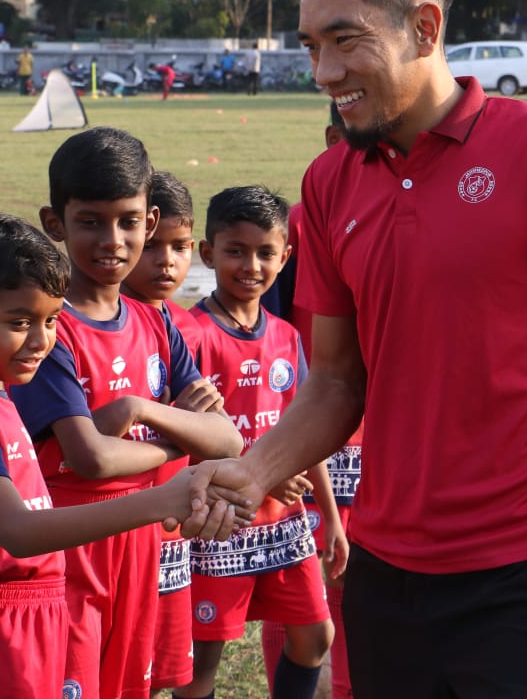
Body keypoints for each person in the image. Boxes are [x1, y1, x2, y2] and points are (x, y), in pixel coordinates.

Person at [187, 0, 527, 699]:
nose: (324, 71)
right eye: (310, 47)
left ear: (425, 26)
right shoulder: (329, 183)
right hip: (384, 573)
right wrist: (254, 470)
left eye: (345, 40)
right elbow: (338, 383)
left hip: (526, 569)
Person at [0, 207, 235, 699]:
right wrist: (164, 499)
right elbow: (18, 531)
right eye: (19, 322)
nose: (41, 341)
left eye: (52, 320)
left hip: (27, 616)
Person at [9, 126, 245, 699]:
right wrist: (175, 435)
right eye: (91, 221)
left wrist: (139, 408)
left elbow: (228, 440)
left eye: (129, 221)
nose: (113, 240)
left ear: (151, 219)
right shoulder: (49, 330)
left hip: (142, 543)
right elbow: (89, 457)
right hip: (71, 547)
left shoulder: (157, 322)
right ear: (55, 222)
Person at [179, 185, 348, 699]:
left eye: (266, 253)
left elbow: (307, 426)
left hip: (285, 524)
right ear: (208, 254)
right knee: (203, 659)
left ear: (285, 257)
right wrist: (265, 470)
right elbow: (184, 437)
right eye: (235, 251)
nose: (251, 265)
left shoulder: (286, 335)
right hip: (219, 522)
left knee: (315, 637)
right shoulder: (192, 334)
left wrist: (332, 518)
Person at [262, 102, 360, 699]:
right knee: (301, 582)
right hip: (310, 443)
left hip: (385, 446)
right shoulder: (296, 228)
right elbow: (264, 340)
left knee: (366, 585)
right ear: (332, 139)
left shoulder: (418, 211)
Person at [119, 171, 205, 699]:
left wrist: (164, 420)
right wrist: (175, 419)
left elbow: (218, 431)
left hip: (171, 528)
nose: (167, 262)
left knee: (164, 668)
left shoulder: (177, 326)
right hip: (112, 524)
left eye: (179, 247)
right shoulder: (78, 324)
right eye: (153, 248)